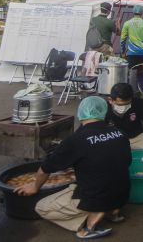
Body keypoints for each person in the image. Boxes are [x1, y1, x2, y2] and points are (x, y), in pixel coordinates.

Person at [14, 96, 131, 239]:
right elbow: (125, 162)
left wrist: (35, 186)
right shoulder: (120, 133)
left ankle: (89, 225)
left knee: (41, 206)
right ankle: (113, 211)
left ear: (81, 112)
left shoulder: (75, 140)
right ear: (104, 112)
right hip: (122, 194)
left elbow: (46, 168)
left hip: (98, 198)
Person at [121, 5, 143, 94]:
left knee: (133, 71)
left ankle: (133, 90)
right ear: (142, 13)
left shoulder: (127, 23)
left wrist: (123, 51)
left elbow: (122, 39)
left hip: (132, 53)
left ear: (133, 12)